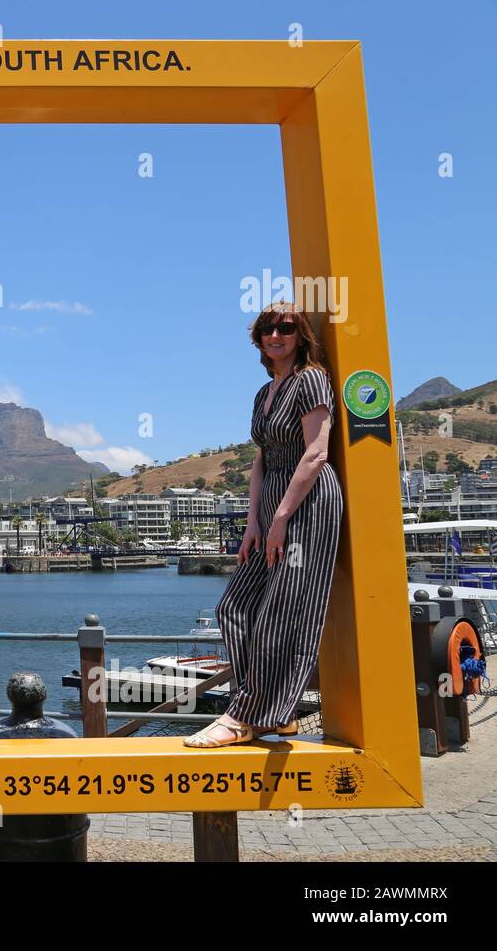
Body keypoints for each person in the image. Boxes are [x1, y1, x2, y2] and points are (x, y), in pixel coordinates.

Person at [185, 302, 344, 748]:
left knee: (282, 612)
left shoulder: (311, 380)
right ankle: (279, 713)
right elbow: (260, 459)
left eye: (286, 327)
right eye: (268, 328)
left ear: (300, 335)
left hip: (308, 502)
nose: (277, 334)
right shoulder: (264, 392)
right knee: (233, 607)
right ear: (258, 338)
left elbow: (316, 453)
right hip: (272, 500)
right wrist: (254, 522)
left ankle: (246, 718)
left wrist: (280, 518)